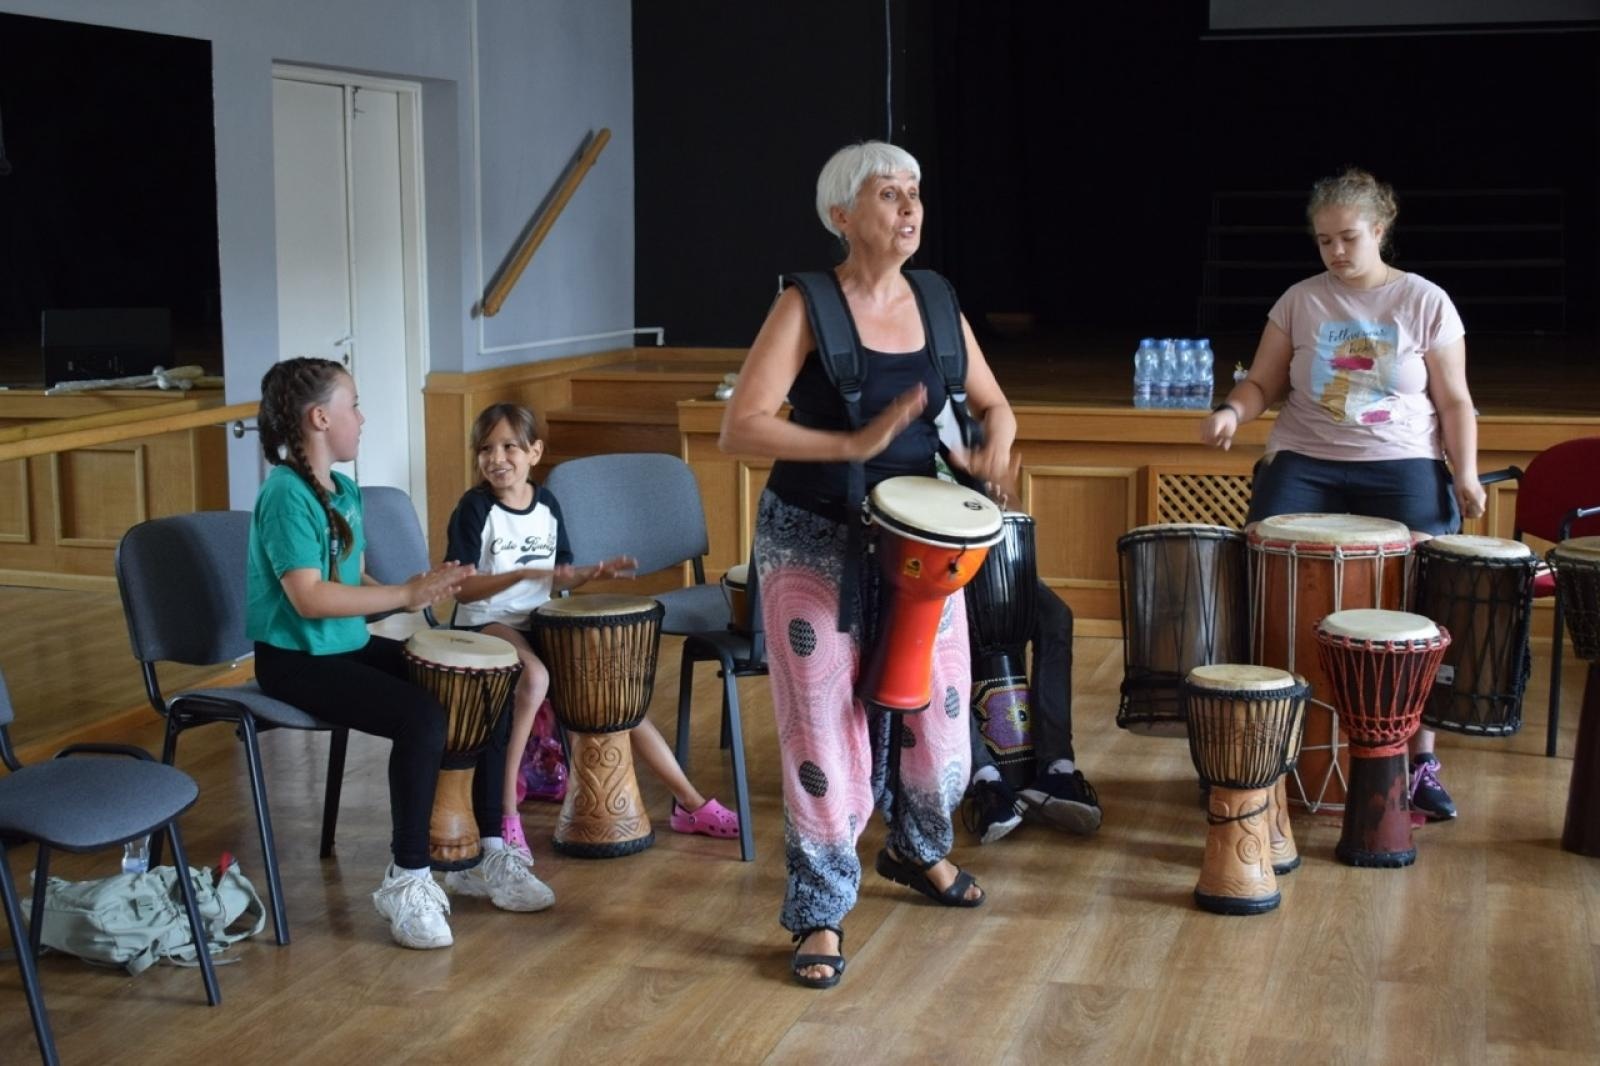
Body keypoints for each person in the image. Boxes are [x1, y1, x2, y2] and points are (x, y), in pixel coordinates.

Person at [720, 141, 1018, 989]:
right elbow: (740, 427)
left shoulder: (937, 299)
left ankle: (916, 848)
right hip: (812, 535)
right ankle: (819, 908)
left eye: (915, 191)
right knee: (824, 728)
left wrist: (993, 449)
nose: (910, 207)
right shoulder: (805, 305)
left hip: (919, 544)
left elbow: (994, 403)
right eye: (889, 194)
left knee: (937, 718)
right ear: (841, 216)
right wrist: (850, 445)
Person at [1199, 167, 1485, 821]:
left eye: (1348, 237)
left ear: (1379, 229)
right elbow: (1262, 383)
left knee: (1423, 601)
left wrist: (1465, 474)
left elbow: (1455, 401)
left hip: (1402, 462)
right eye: (1324, 240)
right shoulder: (1300, 300)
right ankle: (1262, 745)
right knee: (1262, 574)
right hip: (1307, 460)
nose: (1335, 251)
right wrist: (1231, 412)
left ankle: (1419, 760)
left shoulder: (1424, 300)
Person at [247, 357, 552, 953]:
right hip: (294, 661)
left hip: (347, 646)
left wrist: (417, 587)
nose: (362, 418)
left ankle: (489, 851)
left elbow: (353, 580)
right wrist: (404, 595)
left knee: (487, 684)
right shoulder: (285, 494)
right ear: (319, 418)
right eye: (354, 405)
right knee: (421, 716)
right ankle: (408, 877)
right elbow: (309, 597)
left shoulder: (343, 491)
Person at [446, 403, 741, 849]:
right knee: (535, 677)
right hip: (485, 622)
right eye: (486, 449)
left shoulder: (547, 504)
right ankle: (504, 813)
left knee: (611, 689)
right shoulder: (474, 508)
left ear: (534, 452)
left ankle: (689, 803)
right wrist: (522, 574)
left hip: (538, 619)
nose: (496, 458)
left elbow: (558, 576)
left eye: (509, 447)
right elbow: (463, 590)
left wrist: (589, 573)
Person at [964, 581, 1102, 843]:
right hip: (933, 574)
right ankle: (985, 781)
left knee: (1055, 615)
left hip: (983, 562)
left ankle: (1056, 770)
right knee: (939, 638)